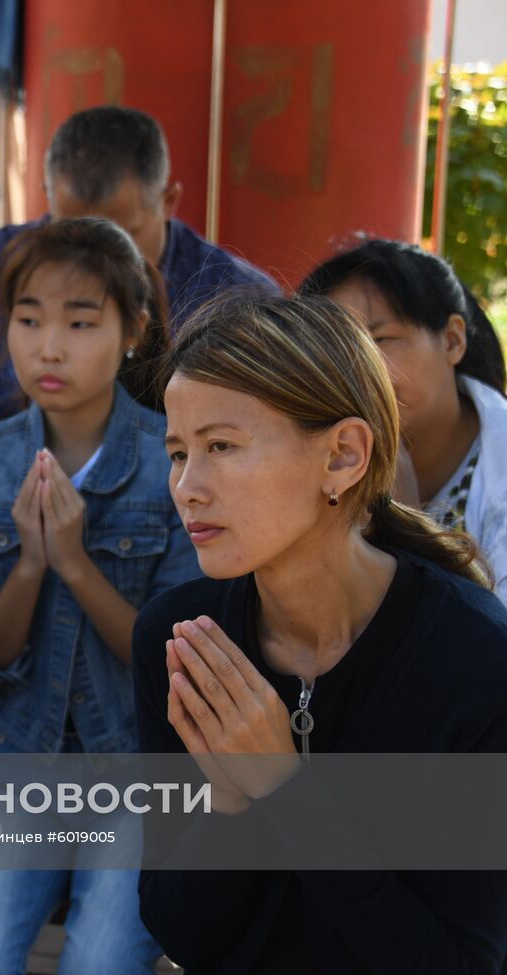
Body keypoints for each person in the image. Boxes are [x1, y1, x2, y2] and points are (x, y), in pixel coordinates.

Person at [134, 292, 507, 972]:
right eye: (179, 452)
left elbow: (458, 961)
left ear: (342, 456)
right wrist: (226, 802)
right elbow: (179, 930)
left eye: (221, 446)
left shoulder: (478, 661)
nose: (187, 486)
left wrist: (285, 786)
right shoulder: (182, 639)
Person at [0, 217, 199, 974]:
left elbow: (171, 656)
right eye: (28, 320)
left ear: (134, 330)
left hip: (140, 767)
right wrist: (28, 566)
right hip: (17, 760)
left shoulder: (176, 465)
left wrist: (77, 564)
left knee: (101, 960)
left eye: (81, 323)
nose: (48, 347)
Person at [0, 105, 280, 449]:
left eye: (123, 235)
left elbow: (260, 439)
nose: (97, 258)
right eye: (70, 230)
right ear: (47, 198)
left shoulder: (236, 296)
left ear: (168, 202)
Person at [300, 237, 507, 597]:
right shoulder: (313, 459)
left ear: (453, 340)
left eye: (380, 340)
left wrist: (406, 529)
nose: (357, 372)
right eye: (335, 350)